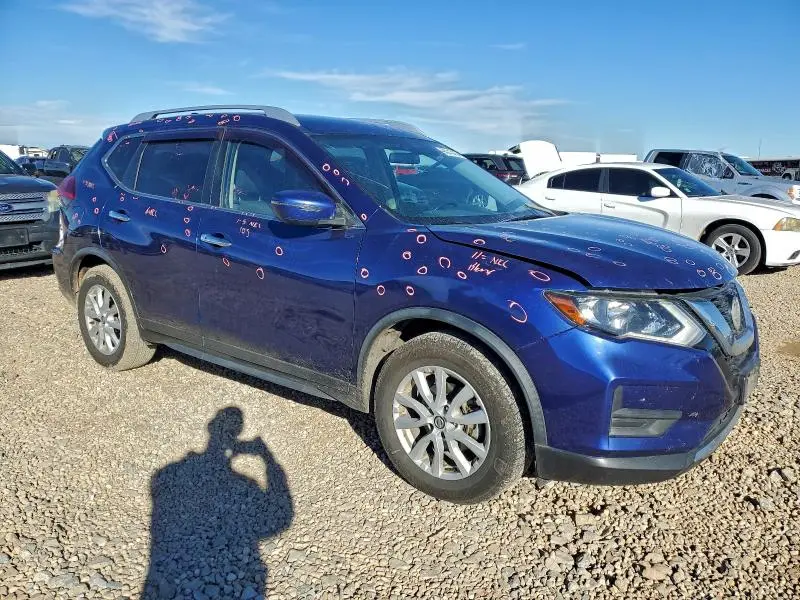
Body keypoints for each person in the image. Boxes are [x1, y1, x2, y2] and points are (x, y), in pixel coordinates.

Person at [143, 407, 293, 599]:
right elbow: (280, 521)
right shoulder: (246, 483)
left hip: (159, 573)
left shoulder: (166, 473)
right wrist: (268, 459)